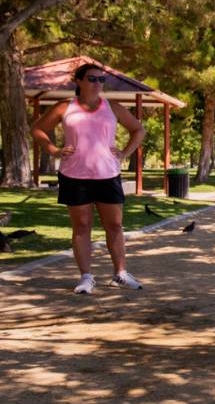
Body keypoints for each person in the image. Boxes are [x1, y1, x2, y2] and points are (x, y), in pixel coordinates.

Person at [30, 63, 146, 293]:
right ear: (79, 81)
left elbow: (138, 130)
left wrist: (124, 153)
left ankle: (120, 274)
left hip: (108, 174)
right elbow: (38, 129)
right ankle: (86, 277)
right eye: (92, 79)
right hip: (74, 175)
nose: (98, 84)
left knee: (114, 225)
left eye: (101, 80)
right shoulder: (65, 107)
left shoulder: (112, 107)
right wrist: (53, 150)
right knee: (82, 226)